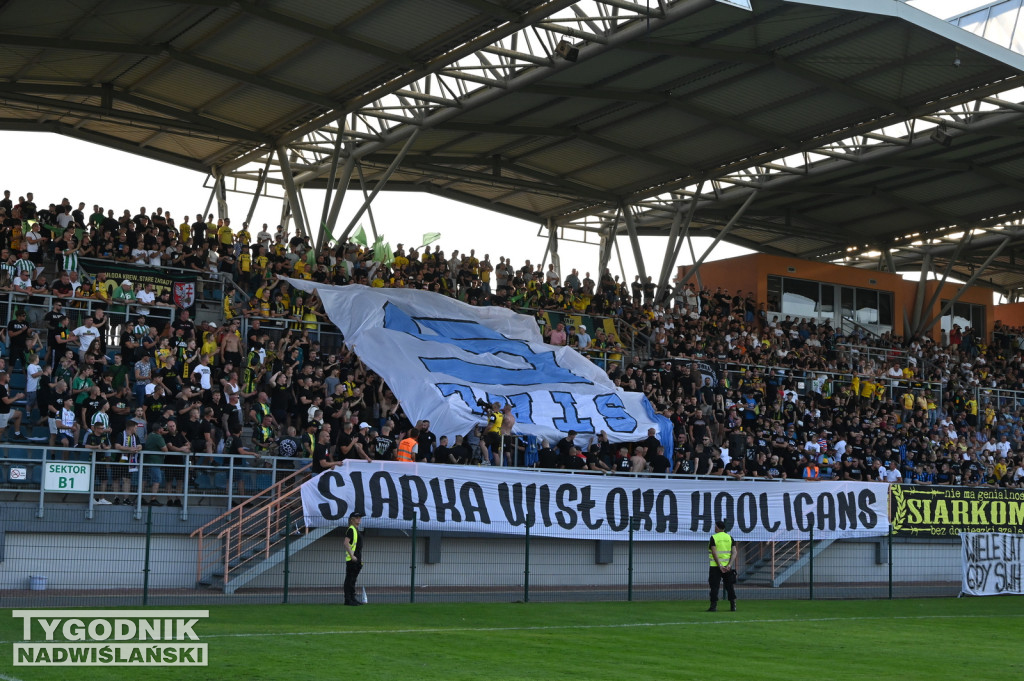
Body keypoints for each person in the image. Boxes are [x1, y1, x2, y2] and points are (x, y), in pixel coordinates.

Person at [707, 520, 737, 612]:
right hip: (727, 566)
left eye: (715, 526)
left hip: (715, 566)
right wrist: (729, 565)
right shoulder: (730, 538)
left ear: (717, 527)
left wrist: (720, 565)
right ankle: (733, 605)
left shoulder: (714, 538)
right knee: (729, 586)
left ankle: (713, 606)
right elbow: (734, 552)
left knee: (714, 586)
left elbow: (714, 552)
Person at [343, 511, 365, 606]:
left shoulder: (356, 530)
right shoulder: (351, 529)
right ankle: (348, 599)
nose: (359, 519)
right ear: (352, 519)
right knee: (350, 579)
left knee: (353, 580)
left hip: (357, 559)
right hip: (352, 560)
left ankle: (352, 598)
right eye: (357, 518)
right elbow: (346, 543)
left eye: (359, 517)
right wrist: (352, 555)